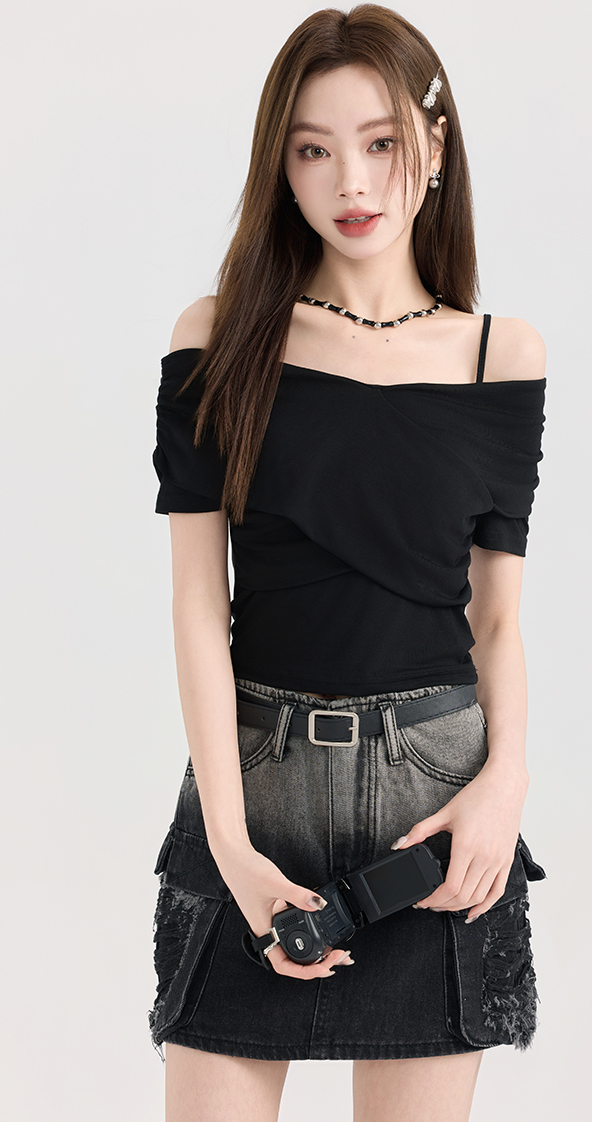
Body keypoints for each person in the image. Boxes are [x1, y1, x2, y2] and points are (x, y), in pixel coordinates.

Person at [148, 5, 548, 1120]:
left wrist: (505, 785)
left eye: (379, 142)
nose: (351, 181)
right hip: (256, 787)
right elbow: (198, 603)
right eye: (313, 150)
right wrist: (230, 844)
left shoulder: (499, 357)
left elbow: (497, 618)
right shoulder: (219, 336)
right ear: (280, 167)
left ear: (435, 145)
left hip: (436, 803)